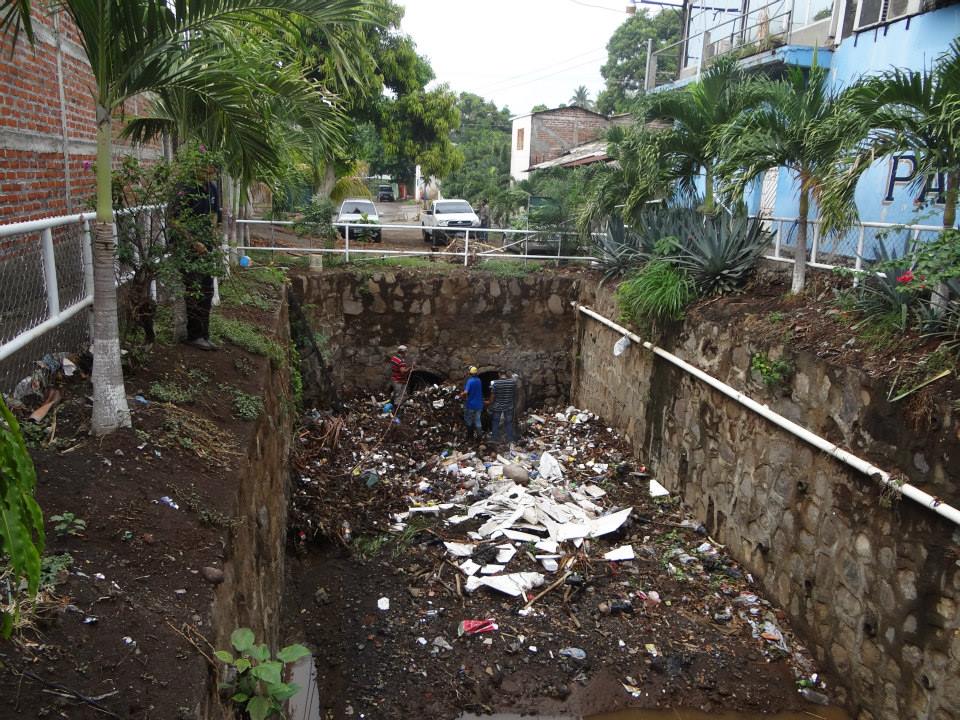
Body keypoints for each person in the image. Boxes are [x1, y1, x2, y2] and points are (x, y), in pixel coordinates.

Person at [171, 161, 221, 351]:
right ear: (198, 167)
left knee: (207, 290)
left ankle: (204, 334)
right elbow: (174, 220)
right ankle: (193, 335)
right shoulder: (184, 188)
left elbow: (215, 215)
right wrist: (193, 241)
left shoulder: (213, 188)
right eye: (209, 166)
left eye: (214, 168)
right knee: (193, 288)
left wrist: (212, 236)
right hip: (187, 248)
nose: (212, 171)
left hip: (207, 247)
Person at [488, 372, 518, 445]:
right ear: (506, 374)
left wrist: (489, 403)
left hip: (497, 406)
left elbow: (492, 396)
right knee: (508, 422)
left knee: (495, 422)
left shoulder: (494, 383)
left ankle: (495, 438)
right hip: (509, 406)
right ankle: (510, 439)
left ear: (499, 374)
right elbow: (514, 394)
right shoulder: (512, 382)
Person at [459, 366, 484, 440]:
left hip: (471, 404)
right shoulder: (479, 380)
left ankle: (470, 436)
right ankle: (479, 436)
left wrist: (461, 395)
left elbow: (466, 392)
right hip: (479, 404)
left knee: (468, 419)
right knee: (477, 419)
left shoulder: (470, 381)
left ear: (470, 373)